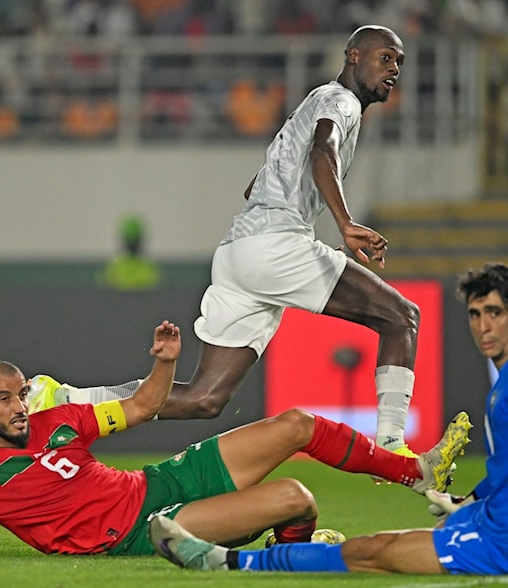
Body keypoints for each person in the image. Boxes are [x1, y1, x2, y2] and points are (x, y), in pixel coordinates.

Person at [0, 320, 472, 560]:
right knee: (295, 497)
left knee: (296, 424)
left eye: (21, 392)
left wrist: (165, 360)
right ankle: (290, 555)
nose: (17, 405)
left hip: (163, 483)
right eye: (3, 399)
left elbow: (147, 405)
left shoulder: (59, 420)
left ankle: (415, 474)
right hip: (148, 527)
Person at [150, 263, 508, 575]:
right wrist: (469, 499)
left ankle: (224, 560)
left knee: (369, 553)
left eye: (495, 313)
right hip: (495, 519)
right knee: (376, 547)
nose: (483, 326)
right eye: (476, 314)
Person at [159, 25, 422, 461]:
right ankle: (392, 445)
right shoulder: (341, 102)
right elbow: (324, 153)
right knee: (401, 318)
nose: (393, 69)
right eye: (385, 58)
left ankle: (71, 401)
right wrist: (345, 222)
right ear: (353, 56)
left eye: (399, 62)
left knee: (203, 398)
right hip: (273, 245)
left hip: (237, 253)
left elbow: (254, 187)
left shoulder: (313, 102)